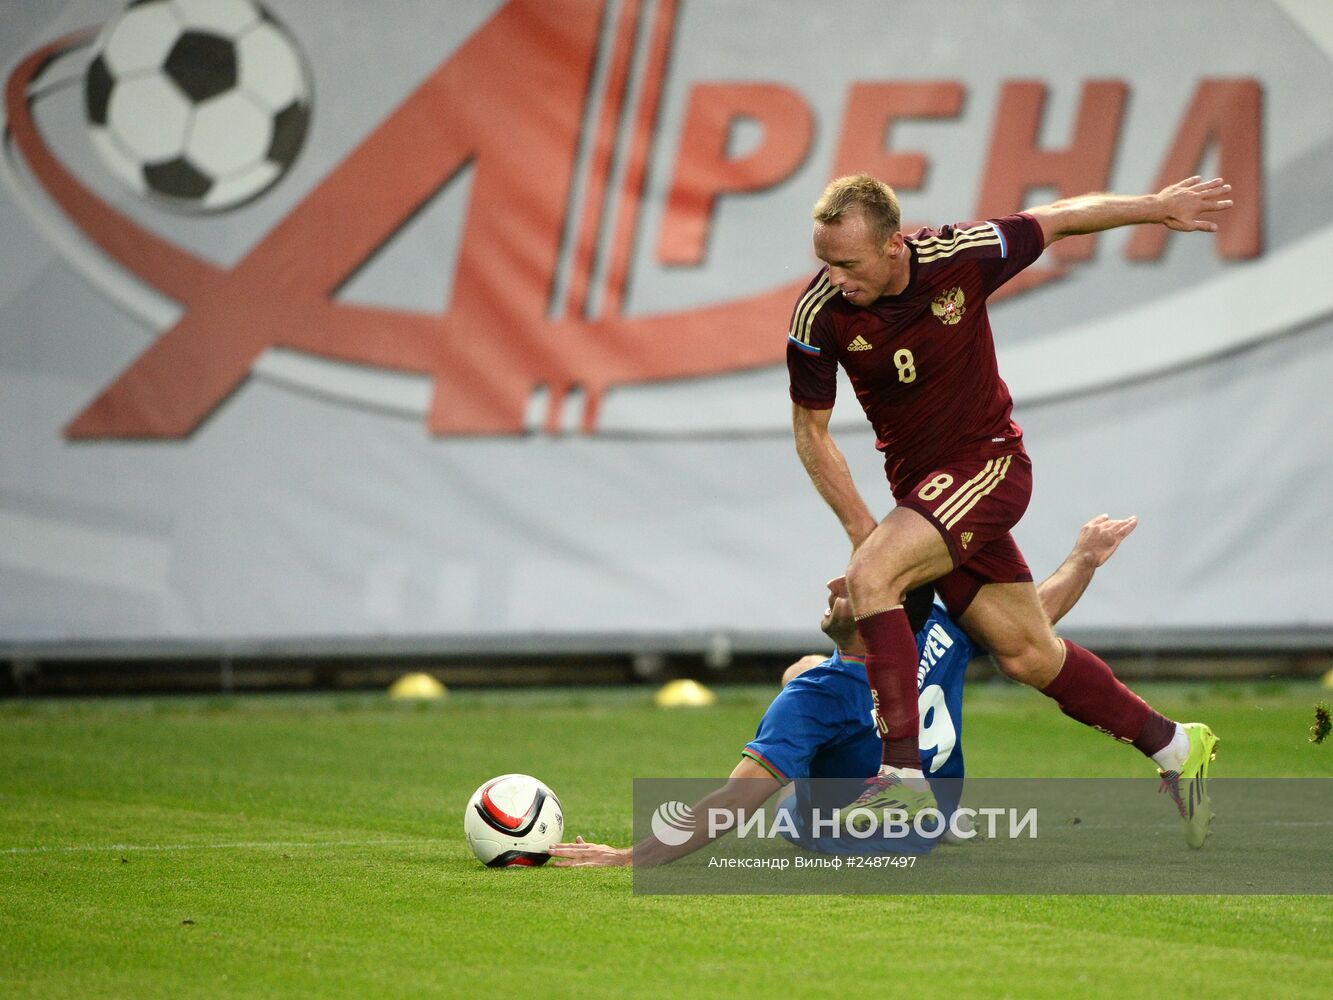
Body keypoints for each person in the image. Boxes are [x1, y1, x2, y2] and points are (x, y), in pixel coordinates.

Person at [787, 175, 1228, 848]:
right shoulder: (818, 313)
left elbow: (1059, 217)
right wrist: (861, 530)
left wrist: (1155, 208)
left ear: (891, 244)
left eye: (847, 262)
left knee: (875, 579)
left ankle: (901, 777)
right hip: (922, 495)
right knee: (1026, 653)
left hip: (985, 466)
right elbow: (811, 432)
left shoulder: (957, 257)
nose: (834, 276)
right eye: (825, 260)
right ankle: (1172, 745)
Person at [550, 514, 1136, 867]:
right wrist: (1084, 559)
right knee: (809, 672)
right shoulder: (936, 630)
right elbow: (1033, 622)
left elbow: (732, 803)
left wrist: (629, 857)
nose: (835, 585)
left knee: (792, 745)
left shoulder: (819, 696)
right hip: (929, 824)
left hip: (853, 841)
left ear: (879, 609)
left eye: (852, 584)